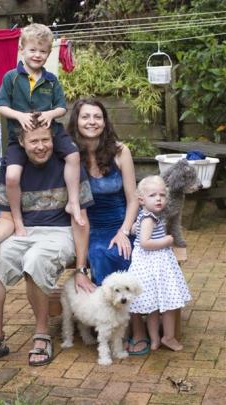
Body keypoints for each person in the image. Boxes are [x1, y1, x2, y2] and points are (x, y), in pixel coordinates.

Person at [0, 122, 95, 368]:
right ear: (22, 143)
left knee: (36, 259)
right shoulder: (12, 167)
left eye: (45, 140)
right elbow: (5, 218)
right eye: (34, 141)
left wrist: (81, 268)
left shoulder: (69, 166)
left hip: (60, 232)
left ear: (53, 140)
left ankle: (41, 333)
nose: (40, 146)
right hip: (23, 231)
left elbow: (81, 221)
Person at [0, 23, 84, 236]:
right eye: (32, 50)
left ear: (48, 53)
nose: (37, 55)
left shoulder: (52, 81)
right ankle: (17, 219)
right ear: (21, 50)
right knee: (12, 176)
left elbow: (62, 107)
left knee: (73, 155)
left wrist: (51, 114)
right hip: (19, 137)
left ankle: (72, 202)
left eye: (43, 51)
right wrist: (19, 115)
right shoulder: (11, 78)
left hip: (50, 132)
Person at [67, 98, 139, 286]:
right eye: (85, 117)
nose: (92, 121)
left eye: (97, 117)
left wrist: (123, 231)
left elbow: (133, 200)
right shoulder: (68, 155)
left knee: (127, 251)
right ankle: (104, 309)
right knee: (99, 252)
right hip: (91, 228)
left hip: (123, 223)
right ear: (76, 121)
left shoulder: (121, 152)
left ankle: (136, 309)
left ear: (104, 122)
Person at [128, 175, 191, 351]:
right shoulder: (150, 218)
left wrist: (136, 227)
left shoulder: (145, 215)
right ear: (141, 200)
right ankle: (167, 337)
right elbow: (145, 243)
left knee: (155, 307)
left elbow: (135, 230)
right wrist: (167, 240)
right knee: (171, 303)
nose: (158, 199)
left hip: (150, 263)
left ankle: (155, 340)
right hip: (155, 264)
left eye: (162, 195)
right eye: (153, 195)